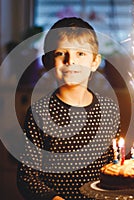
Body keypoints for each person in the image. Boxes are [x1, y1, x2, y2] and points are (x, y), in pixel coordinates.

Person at [17, 17, 120, 200]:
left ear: (95, 62)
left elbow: (114, 167)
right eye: (60, 53)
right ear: (47, 62)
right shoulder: (40, 114)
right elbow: (27, 178)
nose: (70, 61)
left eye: (81, 54)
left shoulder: (109, 111)